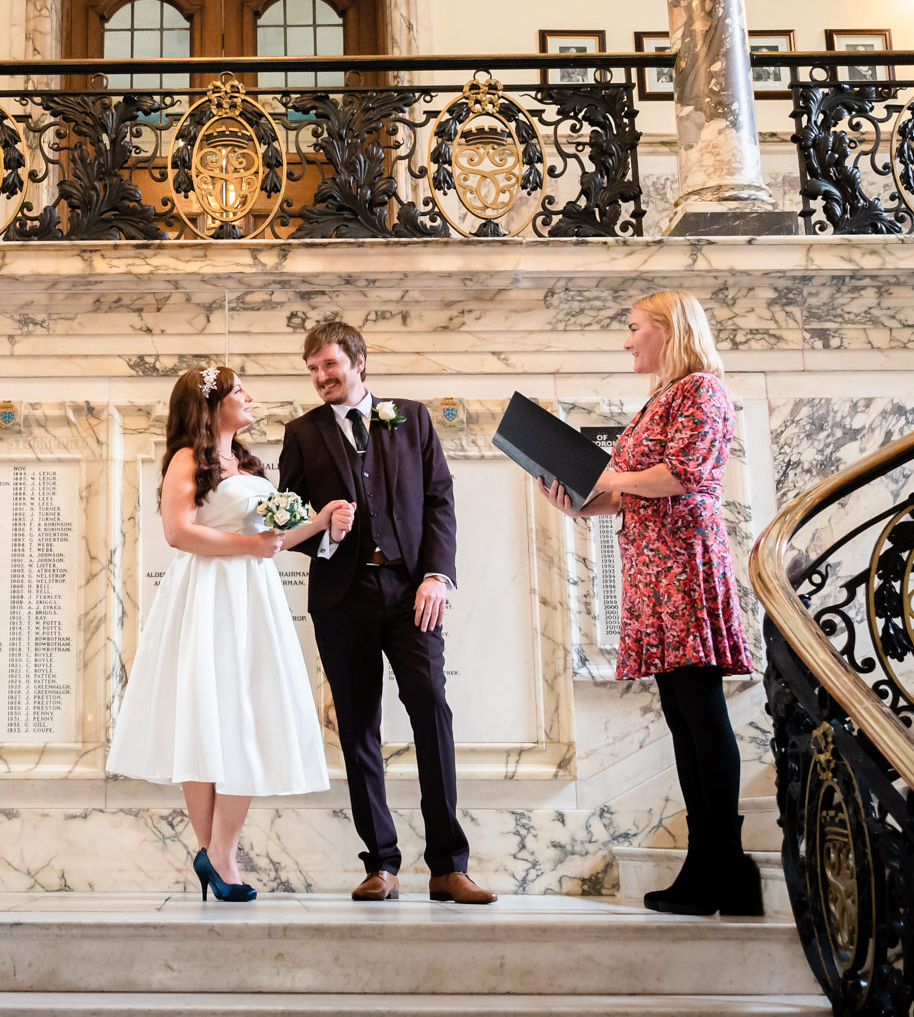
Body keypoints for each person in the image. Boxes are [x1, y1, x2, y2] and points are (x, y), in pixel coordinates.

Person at [539, 290, 760, 916]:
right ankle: (720, 867)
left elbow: (687, 475)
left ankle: (718, 863)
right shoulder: (660, 399)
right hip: (653, 572)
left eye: (634, 327)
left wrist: (609, 480)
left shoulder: (702, 391)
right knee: (683, 719)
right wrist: (581, 501)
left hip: (683, 567)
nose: (627, 339)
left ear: (669, 330)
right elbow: (628, 493)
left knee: (701, 712)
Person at [277, 321, 496, 906]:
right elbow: (287, 520)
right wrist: (324, 531)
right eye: (313, 370)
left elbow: (439, 500)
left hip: (411, 592)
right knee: (358, 726)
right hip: (340, 598)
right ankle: (382, 863)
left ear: (359, 360)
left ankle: (449, 866)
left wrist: (435, 575)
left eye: (329, 365)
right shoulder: (301, 434)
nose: (322, 378)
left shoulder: (413, 418)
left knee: (432, 713)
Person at [106, 364, 340, 902]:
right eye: (239, 392)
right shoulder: (190, 459)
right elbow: (178, 532)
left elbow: (274, 540)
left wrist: (321, 519)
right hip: (208, 596)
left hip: (253, 598)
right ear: (210, 405)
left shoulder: (251, 464)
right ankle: (221, 855)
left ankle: (216, 853)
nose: (250, 397)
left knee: (251, 719)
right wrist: (251, 548)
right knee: (207, 717)